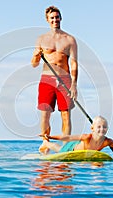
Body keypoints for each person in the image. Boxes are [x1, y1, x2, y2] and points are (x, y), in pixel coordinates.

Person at [31, 6, 78, 155]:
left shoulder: (70, 39)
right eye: (52, 18)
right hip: (47, 79)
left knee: (66, 115)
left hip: (65, 79)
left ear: (61, 18)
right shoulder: (41, 39)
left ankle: (65, 147)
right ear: (47, 20)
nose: (55, 20)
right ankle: (45, 145)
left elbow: (74, 63)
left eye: (57, 17)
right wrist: (37, 56)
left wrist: (74, 85)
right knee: (45, 114)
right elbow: (34, 64)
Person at [40, 116, 113, 156]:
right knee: (59, 149)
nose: (102, 129)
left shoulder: (107, 141)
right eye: (99, 127)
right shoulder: (87, 137)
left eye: (104, 127)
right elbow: (68, 138)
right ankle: (46, 143)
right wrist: (51, 137)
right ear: (92, 128)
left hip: (85, 154)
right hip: (71, 149)